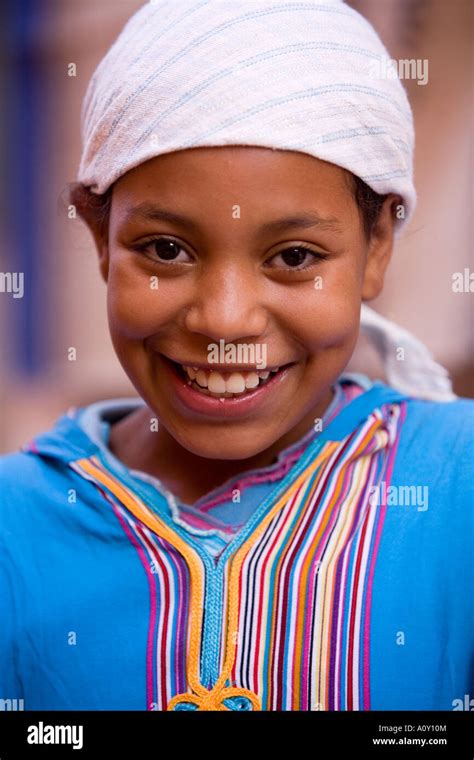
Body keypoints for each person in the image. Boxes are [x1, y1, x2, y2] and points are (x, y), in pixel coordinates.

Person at [0, 0, 472, 711]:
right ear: (101, 241)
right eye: (165, 250)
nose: (223, 319)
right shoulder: (17, 525)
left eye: (292, 256)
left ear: (377, 250)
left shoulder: (457, 490)